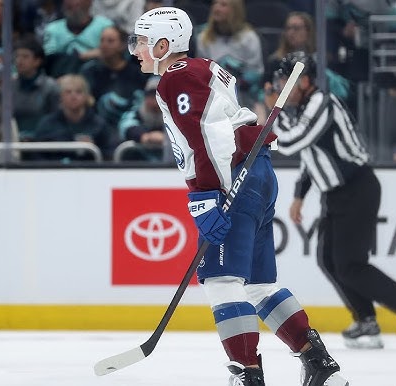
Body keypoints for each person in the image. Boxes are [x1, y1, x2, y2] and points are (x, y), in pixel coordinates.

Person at [129, 7, 349, 386]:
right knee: (259, 284)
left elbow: (206, 135)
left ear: (164, 46)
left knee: (221, 280)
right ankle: (319, 364)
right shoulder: (199, 68)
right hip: (255, 172)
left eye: (143, 42)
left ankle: (246, 373)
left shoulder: (177, 78)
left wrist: (206, 195)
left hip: (234, 178)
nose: (136, 50)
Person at [269, 51, 396, 351]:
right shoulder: (300, 109)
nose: (282, 89)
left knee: (350, 264)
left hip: (356, 188)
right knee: (329, 260)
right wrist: (299, 195)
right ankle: (366, 321)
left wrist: (271, 120)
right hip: (336, 193)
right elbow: (311, 157)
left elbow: (296, 141)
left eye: (286, 83)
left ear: (305, 81)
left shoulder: (323, 103)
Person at [194, 0, 264, 109]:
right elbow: (201, 70)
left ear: (235, 10)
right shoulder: (203, 37)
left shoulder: (249, 37)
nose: (216, 8)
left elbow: (257, 71)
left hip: (244, 94)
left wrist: (236, 81)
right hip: (212, 92)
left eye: (223, 5)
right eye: (214, 4)